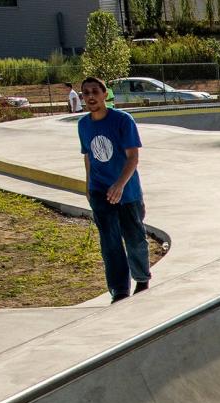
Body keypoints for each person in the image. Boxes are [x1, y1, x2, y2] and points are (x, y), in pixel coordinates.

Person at [77, 77, 151, 302]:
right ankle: (119, 290)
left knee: (134, 238)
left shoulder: (122, 120)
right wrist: (88, 185)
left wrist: (120, 184)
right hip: (99, 190)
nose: (90, 97)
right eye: (86, 93)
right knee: (109, 242)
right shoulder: (83, 124)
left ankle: (142, 278)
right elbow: (88, 156)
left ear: (104, 94)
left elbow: (133, 157)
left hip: (127, 191)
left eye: (95, 92)